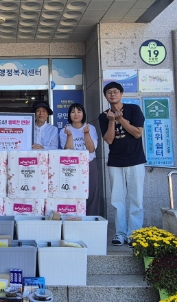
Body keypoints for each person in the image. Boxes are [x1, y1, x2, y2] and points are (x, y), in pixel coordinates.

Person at [98, 82, 146, 246]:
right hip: (115, 162)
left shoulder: (133, 109)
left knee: (136, 199)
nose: (112, 94)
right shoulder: (103, 116)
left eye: (115, 91)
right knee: (117, 200)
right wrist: (112, 121)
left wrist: (120, 119)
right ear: (105, 96)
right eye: (109, 92)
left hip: (136, 160)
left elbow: (137, 133)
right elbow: (109, 140)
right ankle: (120, 234)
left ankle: (134, 234)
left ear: (121, 93)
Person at [59, 102, 100, 216]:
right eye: (73, 112)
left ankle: (91, 220)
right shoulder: (64, 130)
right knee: (73, 193)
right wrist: (69, 136)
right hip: (72, 166)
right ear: (69, 115)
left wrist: (86, 134)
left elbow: (91, 149)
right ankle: (75, 219)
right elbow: (68, 151)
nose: (76, 114)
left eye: (79, 111)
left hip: (89, 164)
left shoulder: (90, 128)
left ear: (83, 114)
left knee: (92, 193)